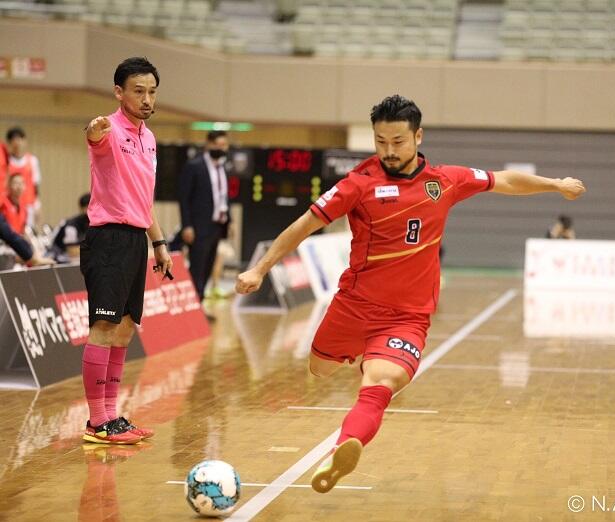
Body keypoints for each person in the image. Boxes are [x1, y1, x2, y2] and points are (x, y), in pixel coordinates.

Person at [235, 95, 586, 492]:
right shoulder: (359, 184)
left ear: (418, 136)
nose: (388, 151)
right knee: (320, 368)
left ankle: (341, 449)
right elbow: (304, 225)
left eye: (398, 142)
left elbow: (503, 180)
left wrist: (555, 185)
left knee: (380, 384)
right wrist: (260, 268)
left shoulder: (444, 180)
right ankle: (364, 359)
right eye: (380, 141)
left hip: (408, 316)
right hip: (353, 306)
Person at [81, 56, 172, 445]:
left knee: (123, 332)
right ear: (119, 92)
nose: (147, 98)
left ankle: (113, 416)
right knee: (103, 328)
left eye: (152, 91)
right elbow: (93, 136)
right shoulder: (109, 130)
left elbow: (142, 200)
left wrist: (159, 242)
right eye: (138, 91)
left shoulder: (148, 138)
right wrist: (93, 130)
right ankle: (97, 421)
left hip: (137, 239)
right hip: (109, 239)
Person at [178, 130, 231, 301]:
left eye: (224, 145)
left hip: (217, 226)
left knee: (208, 267)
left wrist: (230, 220)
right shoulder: (195, 166)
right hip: (198, 227)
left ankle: (200, 305)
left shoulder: (222, 167)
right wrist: (187, 225)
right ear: (208, 144)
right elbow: (184, 198)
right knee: (197, 270)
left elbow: (222, 197)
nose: (221, 148)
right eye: (218, 144)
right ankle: (193, 307)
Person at [5, 127, 41, 230]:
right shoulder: (5, 161)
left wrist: (37, 205)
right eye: (13, 140)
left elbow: (36, 186)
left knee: (27, 235)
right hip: (10, 206)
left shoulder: (32, 161)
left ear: (24, 141)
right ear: (9, 143)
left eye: (20, 139)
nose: (17, 143)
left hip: (28, 206)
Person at [48, 192, 90, 263]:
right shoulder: (71, 226)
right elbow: (72, 251)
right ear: (83, 208)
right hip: (59, 258)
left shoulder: (94, 223)